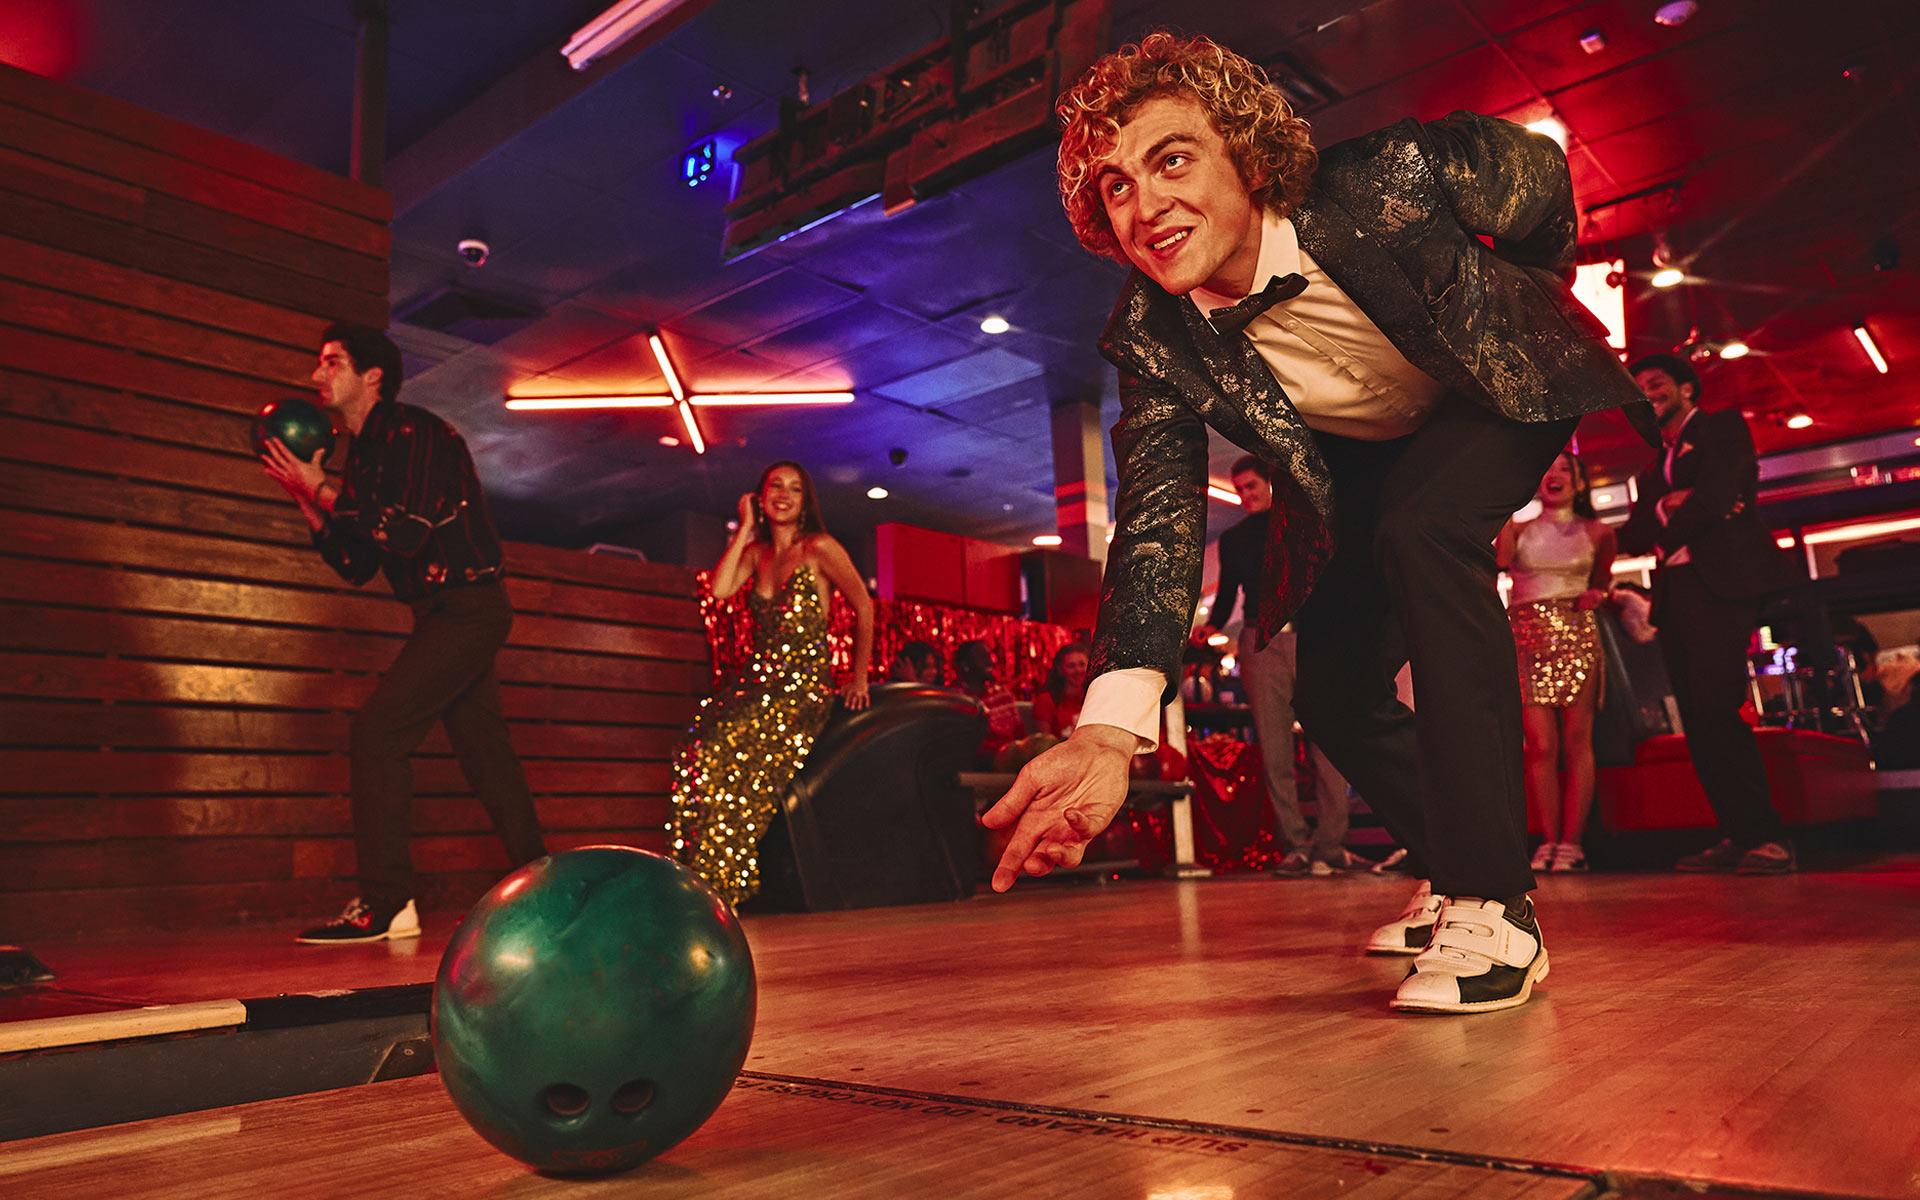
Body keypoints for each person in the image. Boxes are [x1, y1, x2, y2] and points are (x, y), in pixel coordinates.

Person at [983, 32, 1658, 1015]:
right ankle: (1455, 861)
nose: (1144, 205)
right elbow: (1159, 523)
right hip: (1368, 451)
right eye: (1116, 185)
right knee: (1332, 686)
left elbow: (1542, 183)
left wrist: (1523, 304)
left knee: (1426, 533)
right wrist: (1108, 734)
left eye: (1171, 159)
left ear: (1247, 156)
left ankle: (1496, 907)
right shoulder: (1151, 336)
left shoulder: (1401, 172)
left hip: (1494, 388)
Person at [260, 324, 546, 944]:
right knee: (485, 753)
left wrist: (322, 488)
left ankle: (388, 903)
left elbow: (404, 533)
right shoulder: (360, 455)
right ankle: (546, 889)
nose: (316, 376)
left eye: (331, 363)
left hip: (469, 607)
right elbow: (359, 565)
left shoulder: (414, 433)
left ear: (372, 377)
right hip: (442, 612)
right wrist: (311, 503)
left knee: (378, 734)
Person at [1619, 354, 1801, 874]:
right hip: (1676, 594)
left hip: (1721, 586)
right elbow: (1635, 531)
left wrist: (1680, 514)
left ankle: (1769, 838)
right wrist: (1661, 508)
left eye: (1656, 383)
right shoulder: (1655, 464)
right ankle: (1737, 833)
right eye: (1640, 388)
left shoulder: (1722, 427)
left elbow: (1720, 494)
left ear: (1687, 389)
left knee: (1719, 709)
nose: (1648, 392)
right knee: (1697, 719)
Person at [669, 461, 874, 907]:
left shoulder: (819, 547)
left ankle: (725, 884)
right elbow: (721, 590)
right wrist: (744, 527)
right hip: (755, 685)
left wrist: (858, 675)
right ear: (761, 497)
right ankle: (697, 881)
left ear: (805, 502)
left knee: (728, 747)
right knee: (698, 746)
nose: (784, 494)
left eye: (795, 489)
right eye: (775, 486)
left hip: (802, 689)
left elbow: (864, 605)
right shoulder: (755, 553)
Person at [1194, 456, 1355, 876]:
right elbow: (1229, 592)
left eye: (1252, 486)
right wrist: (1208, 626)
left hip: (1312, 637)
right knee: (1274, 750)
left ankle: (1331, 845)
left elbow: (1329, 581)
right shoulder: (1234, 539)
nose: (1246, 496)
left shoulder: (1304, 524)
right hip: (1259, 640)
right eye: (1241, 489)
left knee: (1330, 745)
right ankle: (1296, 846)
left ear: (1272, 484)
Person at [1496, 451, 1615, 874]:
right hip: (1526, 634)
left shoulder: (1599, 532)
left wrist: (1598, 594)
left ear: (1580, 481)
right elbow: (1500, 562)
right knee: (1540, 745)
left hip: (1575, 632)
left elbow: (1603, 583)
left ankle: (1572, 843)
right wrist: (1505, 513)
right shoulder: (1519, 528)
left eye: (1566, 468)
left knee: (1577, 739)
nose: (1555, 474)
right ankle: (1547, 840)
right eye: (1547, 467)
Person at [953, 639, 1026, 761]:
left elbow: (1020, 734)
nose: (990, 662)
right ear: (966, 665)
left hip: (1012, 759)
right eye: (982, 658)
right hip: (978, 763)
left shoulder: (1002, 694)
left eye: (989, 656)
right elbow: (961, 744)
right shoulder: (956, 698)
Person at [1032, 642, 1091, 737]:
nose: (1078, 670)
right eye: (1071, 666)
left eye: (1082, 664)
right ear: (1060, 669)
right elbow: (1044, 743)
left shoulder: (1094, 697)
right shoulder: (1046, 700)